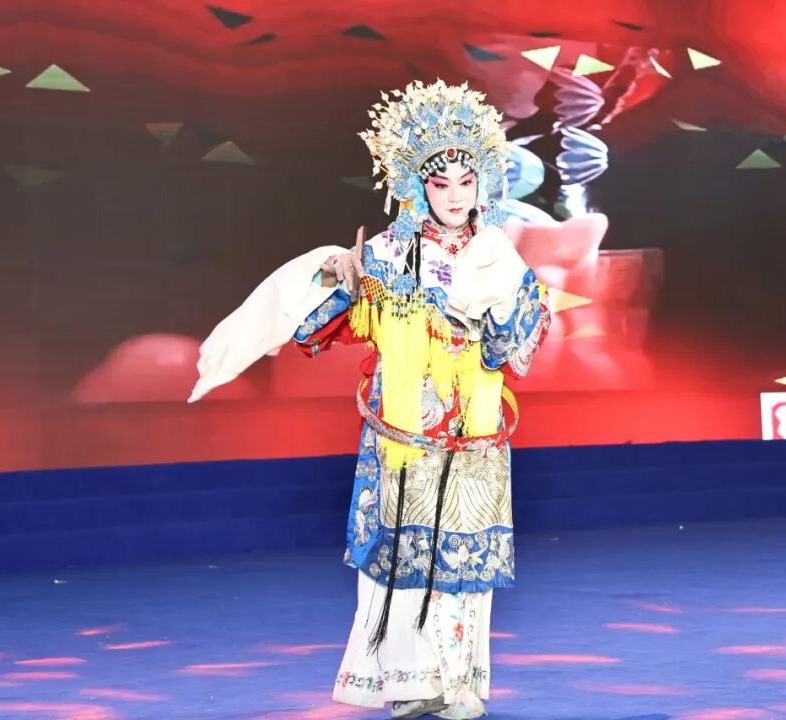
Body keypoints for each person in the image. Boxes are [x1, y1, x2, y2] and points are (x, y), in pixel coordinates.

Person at [189, 79, 550, 719]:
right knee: (401, 550)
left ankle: (459, 686)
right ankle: (409, 681)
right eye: (441, 183)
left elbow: (521, 337)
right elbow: (316, 329)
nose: (456, 196)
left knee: (463, 553)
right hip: (403, 430)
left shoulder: (500, 254)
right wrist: (341, 279)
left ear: (484, 184)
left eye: (467, 182)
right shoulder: (386, 253)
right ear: (415, 186)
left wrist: (493, 320)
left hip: (473, 432)